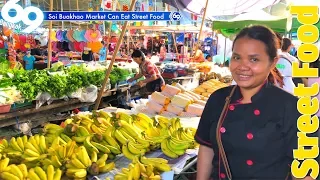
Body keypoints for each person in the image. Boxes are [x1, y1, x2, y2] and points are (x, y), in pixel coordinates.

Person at [195, 25, 318, 180]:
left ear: (273, 63)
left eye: (254, 59)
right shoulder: (218, 99)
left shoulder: (292, 108)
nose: (242, 67)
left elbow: (303, 171)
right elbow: (207, 147)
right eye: (237, 57)